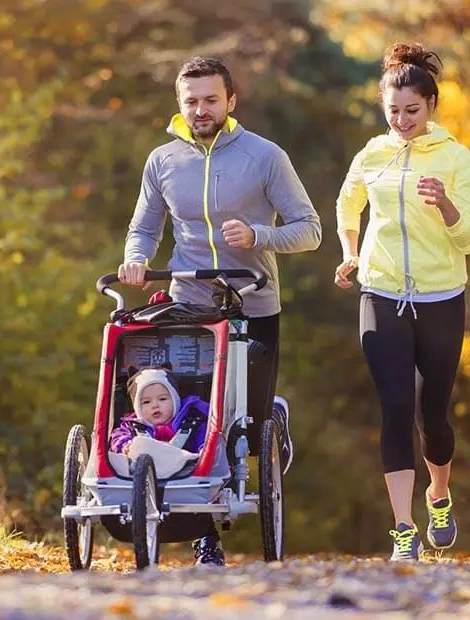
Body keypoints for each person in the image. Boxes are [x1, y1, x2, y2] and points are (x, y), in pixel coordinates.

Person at [117, 56, 322, 565]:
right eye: (191, 102)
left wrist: (259, 236)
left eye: (211, 100)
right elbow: (144, 227)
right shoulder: (163, 160)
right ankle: (207, 537)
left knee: (248, 429)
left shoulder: (264, 156)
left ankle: (270, 413)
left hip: (253, 301)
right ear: (179, 106)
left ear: (231, 102)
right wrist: (136, 259)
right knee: (195, 418)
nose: (201, 109)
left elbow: (310, 229)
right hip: (189, 305)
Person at [333, 43, 470, 561]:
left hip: (442, 299)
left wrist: (444, 204)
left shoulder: (455, 157)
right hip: (381, 293)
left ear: (431, 106)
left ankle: (438, 495)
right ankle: (404, 530)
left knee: (432, 416)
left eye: (411, 111)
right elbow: (346, 204)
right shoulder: (371, 154)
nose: (401, 120)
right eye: (392, 110)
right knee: (395, 409)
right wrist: (351, 254)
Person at [110, 367, 208, 456]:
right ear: (138, 408)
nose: (155, 405)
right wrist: (126, 446)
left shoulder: (194, 423)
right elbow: (117, 437)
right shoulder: (130, 427)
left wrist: (204, 450)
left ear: (175, 401)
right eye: (146, 402)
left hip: (188, 472)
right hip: (142, 471)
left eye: (162, 399)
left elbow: (205, 441)